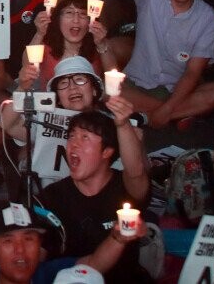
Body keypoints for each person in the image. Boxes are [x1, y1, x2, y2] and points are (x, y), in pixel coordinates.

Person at [37, 111, 147, 283]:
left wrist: (123, 124)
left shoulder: (125, 187)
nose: (74, 144)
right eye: (71, 136)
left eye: (85, 137)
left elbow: (136, 172)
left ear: (107, 151)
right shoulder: (52, 196)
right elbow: (38, 257)